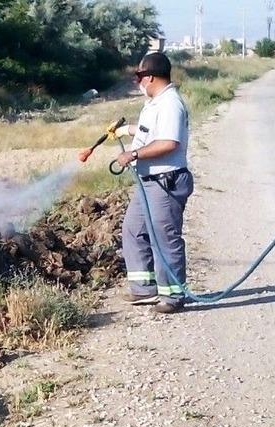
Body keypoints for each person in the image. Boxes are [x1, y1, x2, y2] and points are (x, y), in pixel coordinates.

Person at [112, 52, 194, 314]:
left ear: (150, 77)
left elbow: (169, 142)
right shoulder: (155, 103)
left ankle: (173, 296)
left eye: (139, 76)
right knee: (133, 229)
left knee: (164, 238)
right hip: (148, 181)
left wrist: (133, 154)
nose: (137, 82)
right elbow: (150, 131)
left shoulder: (171, 104)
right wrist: (125, 130)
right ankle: (144, 289)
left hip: (165, 181)